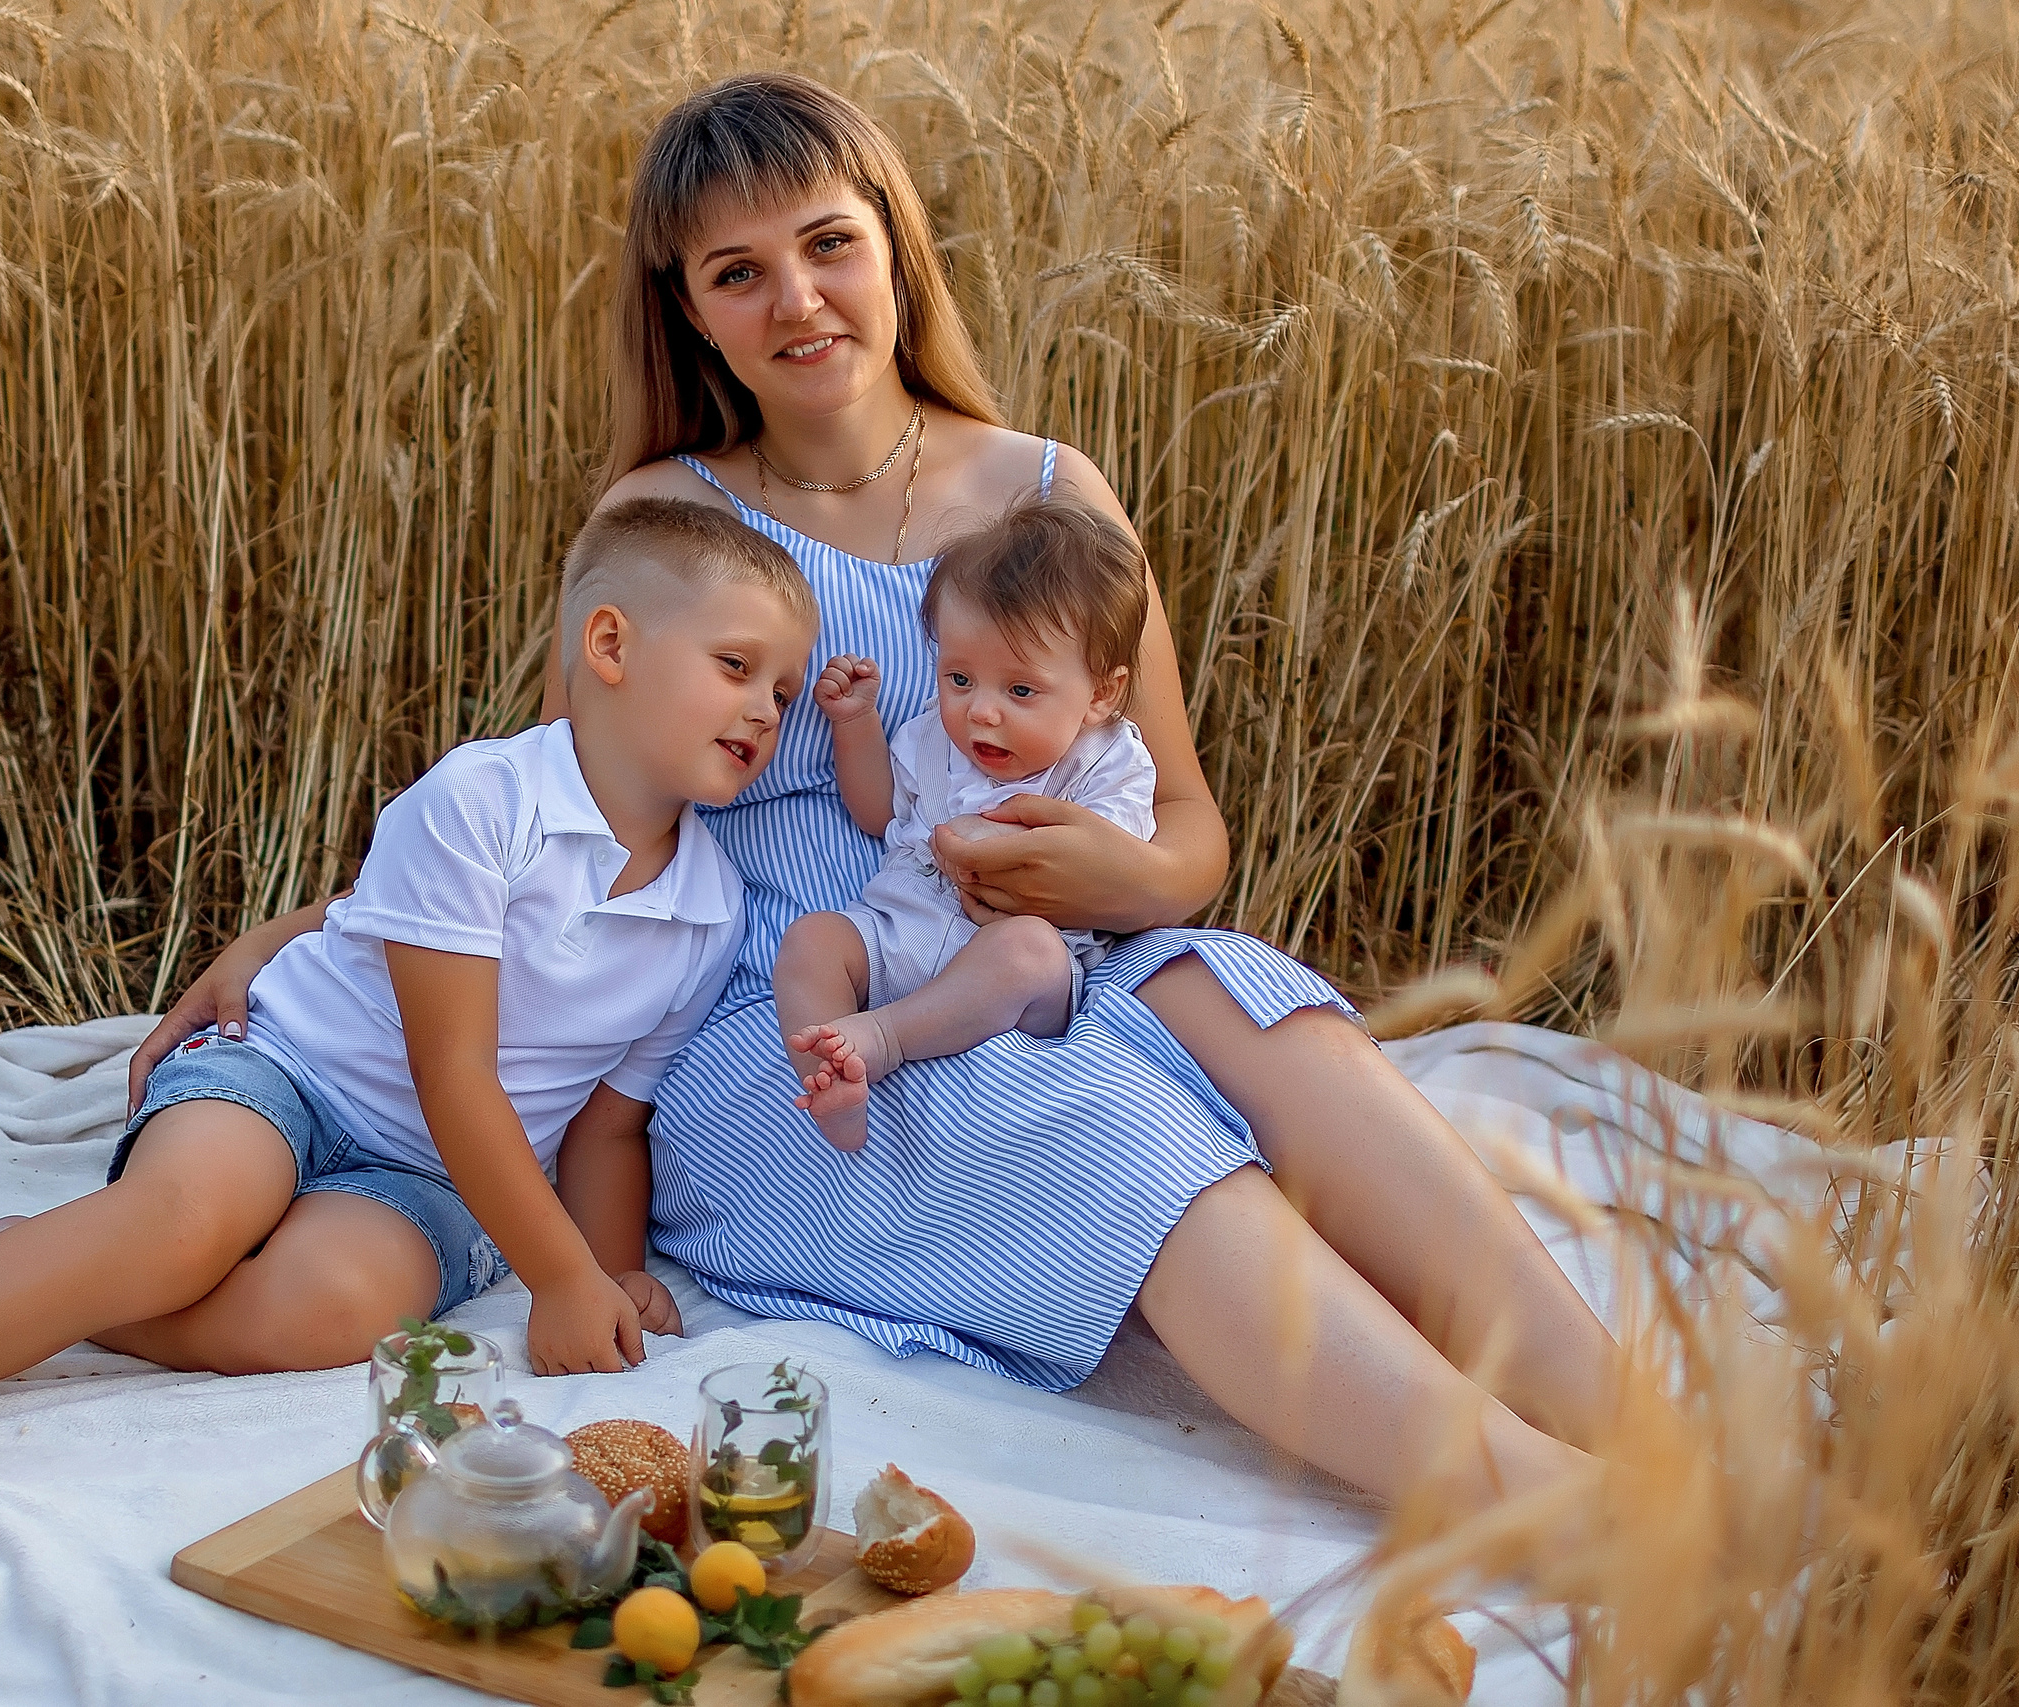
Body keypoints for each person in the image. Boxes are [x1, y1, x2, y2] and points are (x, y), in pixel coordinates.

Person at [134, 73, 1646, 1515]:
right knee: (1099, 1126)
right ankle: (1554, 1509)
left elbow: (1187, 833)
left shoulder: (1053, 490)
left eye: (827, 244)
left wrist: (1113, 881)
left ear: (894, 250)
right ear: (692, 316)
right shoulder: (668, 517)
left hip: (1056, 938)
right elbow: (554, 821)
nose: (794, 299)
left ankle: (1645, 1435)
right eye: (736, 272)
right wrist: (304, 925)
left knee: (1265, 1007)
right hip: (770, 1003)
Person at [0, 499, 819, 1392]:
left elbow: (606, 1125)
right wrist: (557, 1277)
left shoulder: (708, 912)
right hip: (289, 1073)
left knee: (335, 1307)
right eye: (736, 667)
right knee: (185, 1226)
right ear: (609, 644)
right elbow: (453, 1071)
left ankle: (49, 1274)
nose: (766, 710)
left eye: (784, 691)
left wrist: (608, 1274)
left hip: (431, 1181)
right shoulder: (482, 802)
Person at [776, 498, 1156, 1152]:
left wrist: (995, 846)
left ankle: (885, 1038)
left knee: (1030, 952)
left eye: (1020, 691)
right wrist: (855, 724)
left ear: (1100, 692)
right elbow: (877, 810)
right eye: (959, 677)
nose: (980, 711)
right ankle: (832, 1080)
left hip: (1007, 966)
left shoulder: (1109, 763)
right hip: (898, 930)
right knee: (811, 941)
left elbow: (1111, 875)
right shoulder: (933, 734)